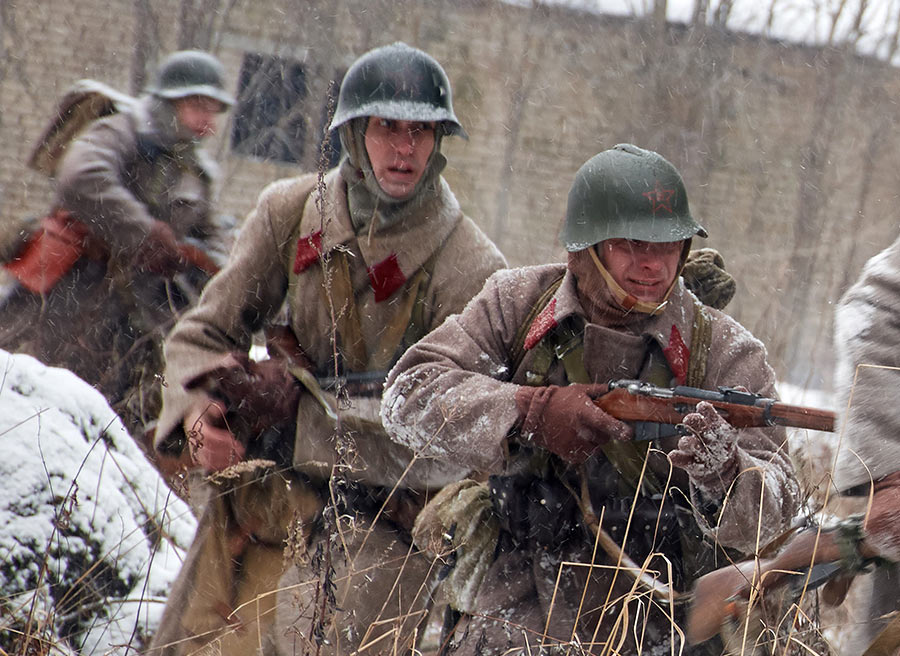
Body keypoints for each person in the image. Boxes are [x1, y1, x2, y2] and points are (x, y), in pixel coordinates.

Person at [146, 42, 506, 655]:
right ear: (355, 133)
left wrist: (300, 420)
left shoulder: (471, 268)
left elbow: (464, 434)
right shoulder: (290, 212)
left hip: (383, 527)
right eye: (387, 126)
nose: (404, 148)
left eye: (421, 130)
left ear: (439, 141)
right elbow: (203, 333)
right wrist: (198, 412)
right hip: (263, 504)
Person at [380, 143, 801, 655]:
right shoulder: (516, 304)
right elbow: (407, 394)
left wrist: (726, 474)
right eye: (630, 244)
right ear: (587, 247)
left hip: (655, 620)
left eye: (667, 245)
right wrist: (526, 412)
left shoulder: (722, 349)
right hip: (512, 604)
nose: (652, 265)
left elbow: (781, 505)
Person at [0, 50, 233, 448]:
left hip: (133, 318)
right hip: (69, 296)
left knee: (112, 426)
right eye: (198, 106)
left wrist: (214, 269)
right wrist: (145, 233)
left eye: (213, 110)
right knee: (29, 401)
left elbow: (210, 241)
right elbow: (82, 177)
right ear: (169, 102)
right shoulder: (121, 130)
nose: (207, 121)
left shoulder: (196, 172)